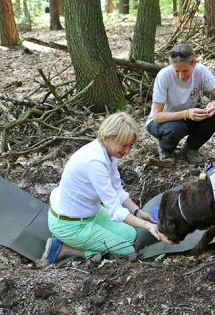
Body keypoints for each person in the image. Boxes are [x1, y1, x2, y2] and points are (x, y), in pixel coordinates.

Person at [40, 112, 171, 265]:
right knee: (126, 251)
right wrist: (146, 225)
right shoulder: (95, 162)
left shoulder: (109, 153)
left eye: (131, 145)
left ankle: (86, 243)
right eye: (124, 145)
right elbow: (115, 210)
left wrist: (138, 212)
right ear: (109, 137)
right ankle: (65, 248)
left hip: (90, 213)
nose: (128, 151)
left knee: (130, 235)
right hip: (70, 224)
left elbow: (118, 190)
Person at [146, 44, 215, 165]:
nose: (180, 75)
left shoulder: (201, 71)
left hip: (186, 117)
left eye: (185, 71)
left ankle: (190, 148)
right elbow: (157, 116)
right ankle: (165, 149)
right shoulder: (164, 76)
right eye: (177, 71)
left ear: (194, 63)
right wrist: (186, 114)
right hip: (161, 122)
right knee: (177, 128)